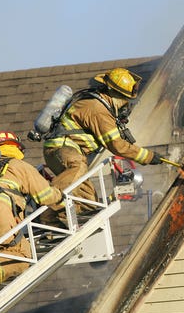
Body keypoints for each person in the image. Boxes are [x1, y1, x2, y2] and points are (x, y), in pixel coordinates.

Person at [37, 67, 163, 227]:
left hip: (67, 151)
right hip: (64, 149)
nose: (125, 105)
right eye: (124, 100)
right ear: (113, 94)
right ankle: (46, 213)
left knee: (89, 203)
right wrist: (149, 157)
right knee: (77, 169)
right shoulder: (98, 110)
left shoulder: (97, 105)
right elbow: (117, 145)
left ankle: (55, 223)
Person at [0, 131, 63, 287]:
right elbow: (46, 195)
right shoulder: (20, 165)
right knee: (22, 254)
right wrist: (62, 197)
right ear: (17, 148)